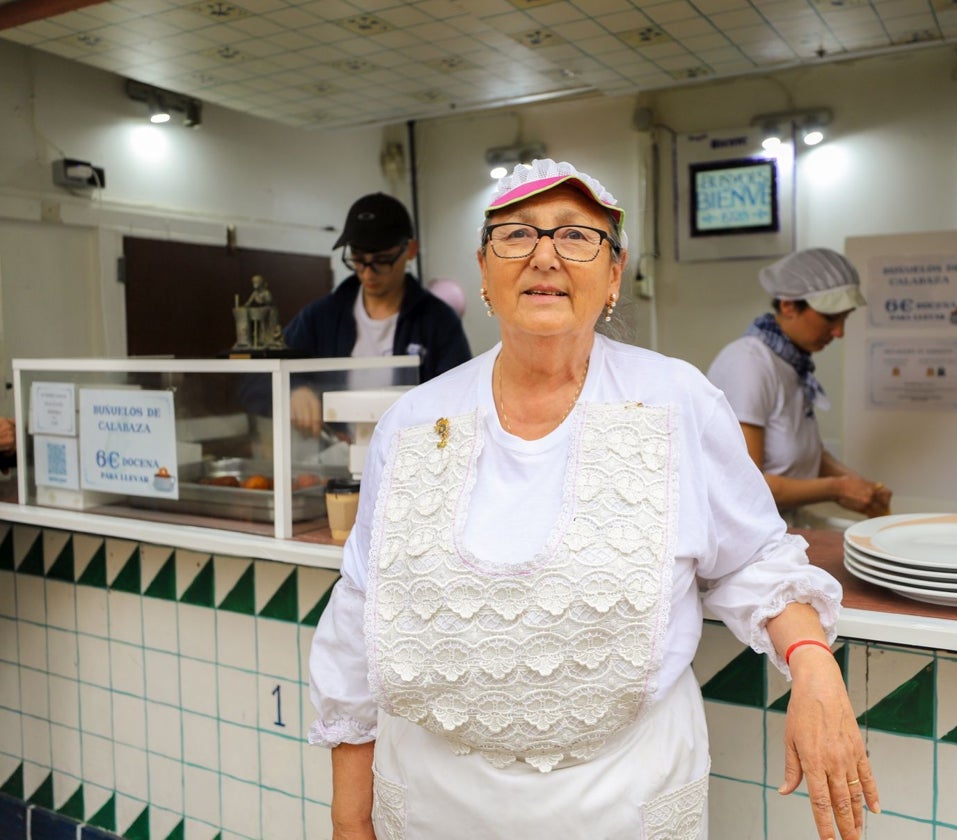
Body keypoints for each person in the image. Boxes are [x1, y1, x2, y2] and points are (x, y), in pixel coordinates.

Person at [306, 159, 880, 840]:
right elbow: (361, 617)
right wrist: (349, 822)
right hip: (432, 803)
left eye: (577, 236)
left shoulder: (676, 402)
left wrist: (813, 666)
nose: (545, 255)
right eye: (517, 235)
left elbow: (752, 558)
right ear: (484, 271)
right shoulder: (415, 422)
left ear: (614, 272)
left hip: (623, 803)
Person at [707, 248, 893, 521]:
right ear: (788, 306)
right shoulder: (750, 363)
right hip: (746, 535)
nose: (839, 332)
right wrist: (838, 488)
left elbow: (808, 453)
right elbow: (748, 483)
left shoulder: (793, 363)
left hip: (781, 524)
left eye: (845, 318)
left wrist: (862, 486)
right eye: (830, 318)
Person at [283, 193, 472, 436]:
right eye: (359, 260)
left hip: (411, 461)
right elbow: (257, 380)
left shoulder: (438, 321)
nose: (368, 273)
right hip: (338, 459)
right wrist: (294, 389)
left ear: (410, 250)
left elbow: (461, 398)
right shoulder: (321, 317)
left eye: (382, 260)